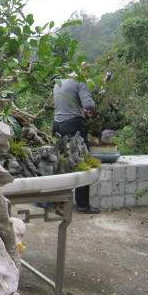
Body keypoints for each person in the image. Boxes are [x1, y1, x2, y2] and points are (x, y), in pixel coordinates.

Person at [53, 63, 101, 214]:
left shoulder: (58, 82)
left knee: (60, 162)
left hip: (56, 125)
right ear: (82, 72)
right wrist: (89, 108)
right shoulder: (80, 81)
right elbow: (89, 105)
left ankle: (56, 203)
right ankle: (82, 205)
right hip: (73, 124)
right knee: (82, 161)